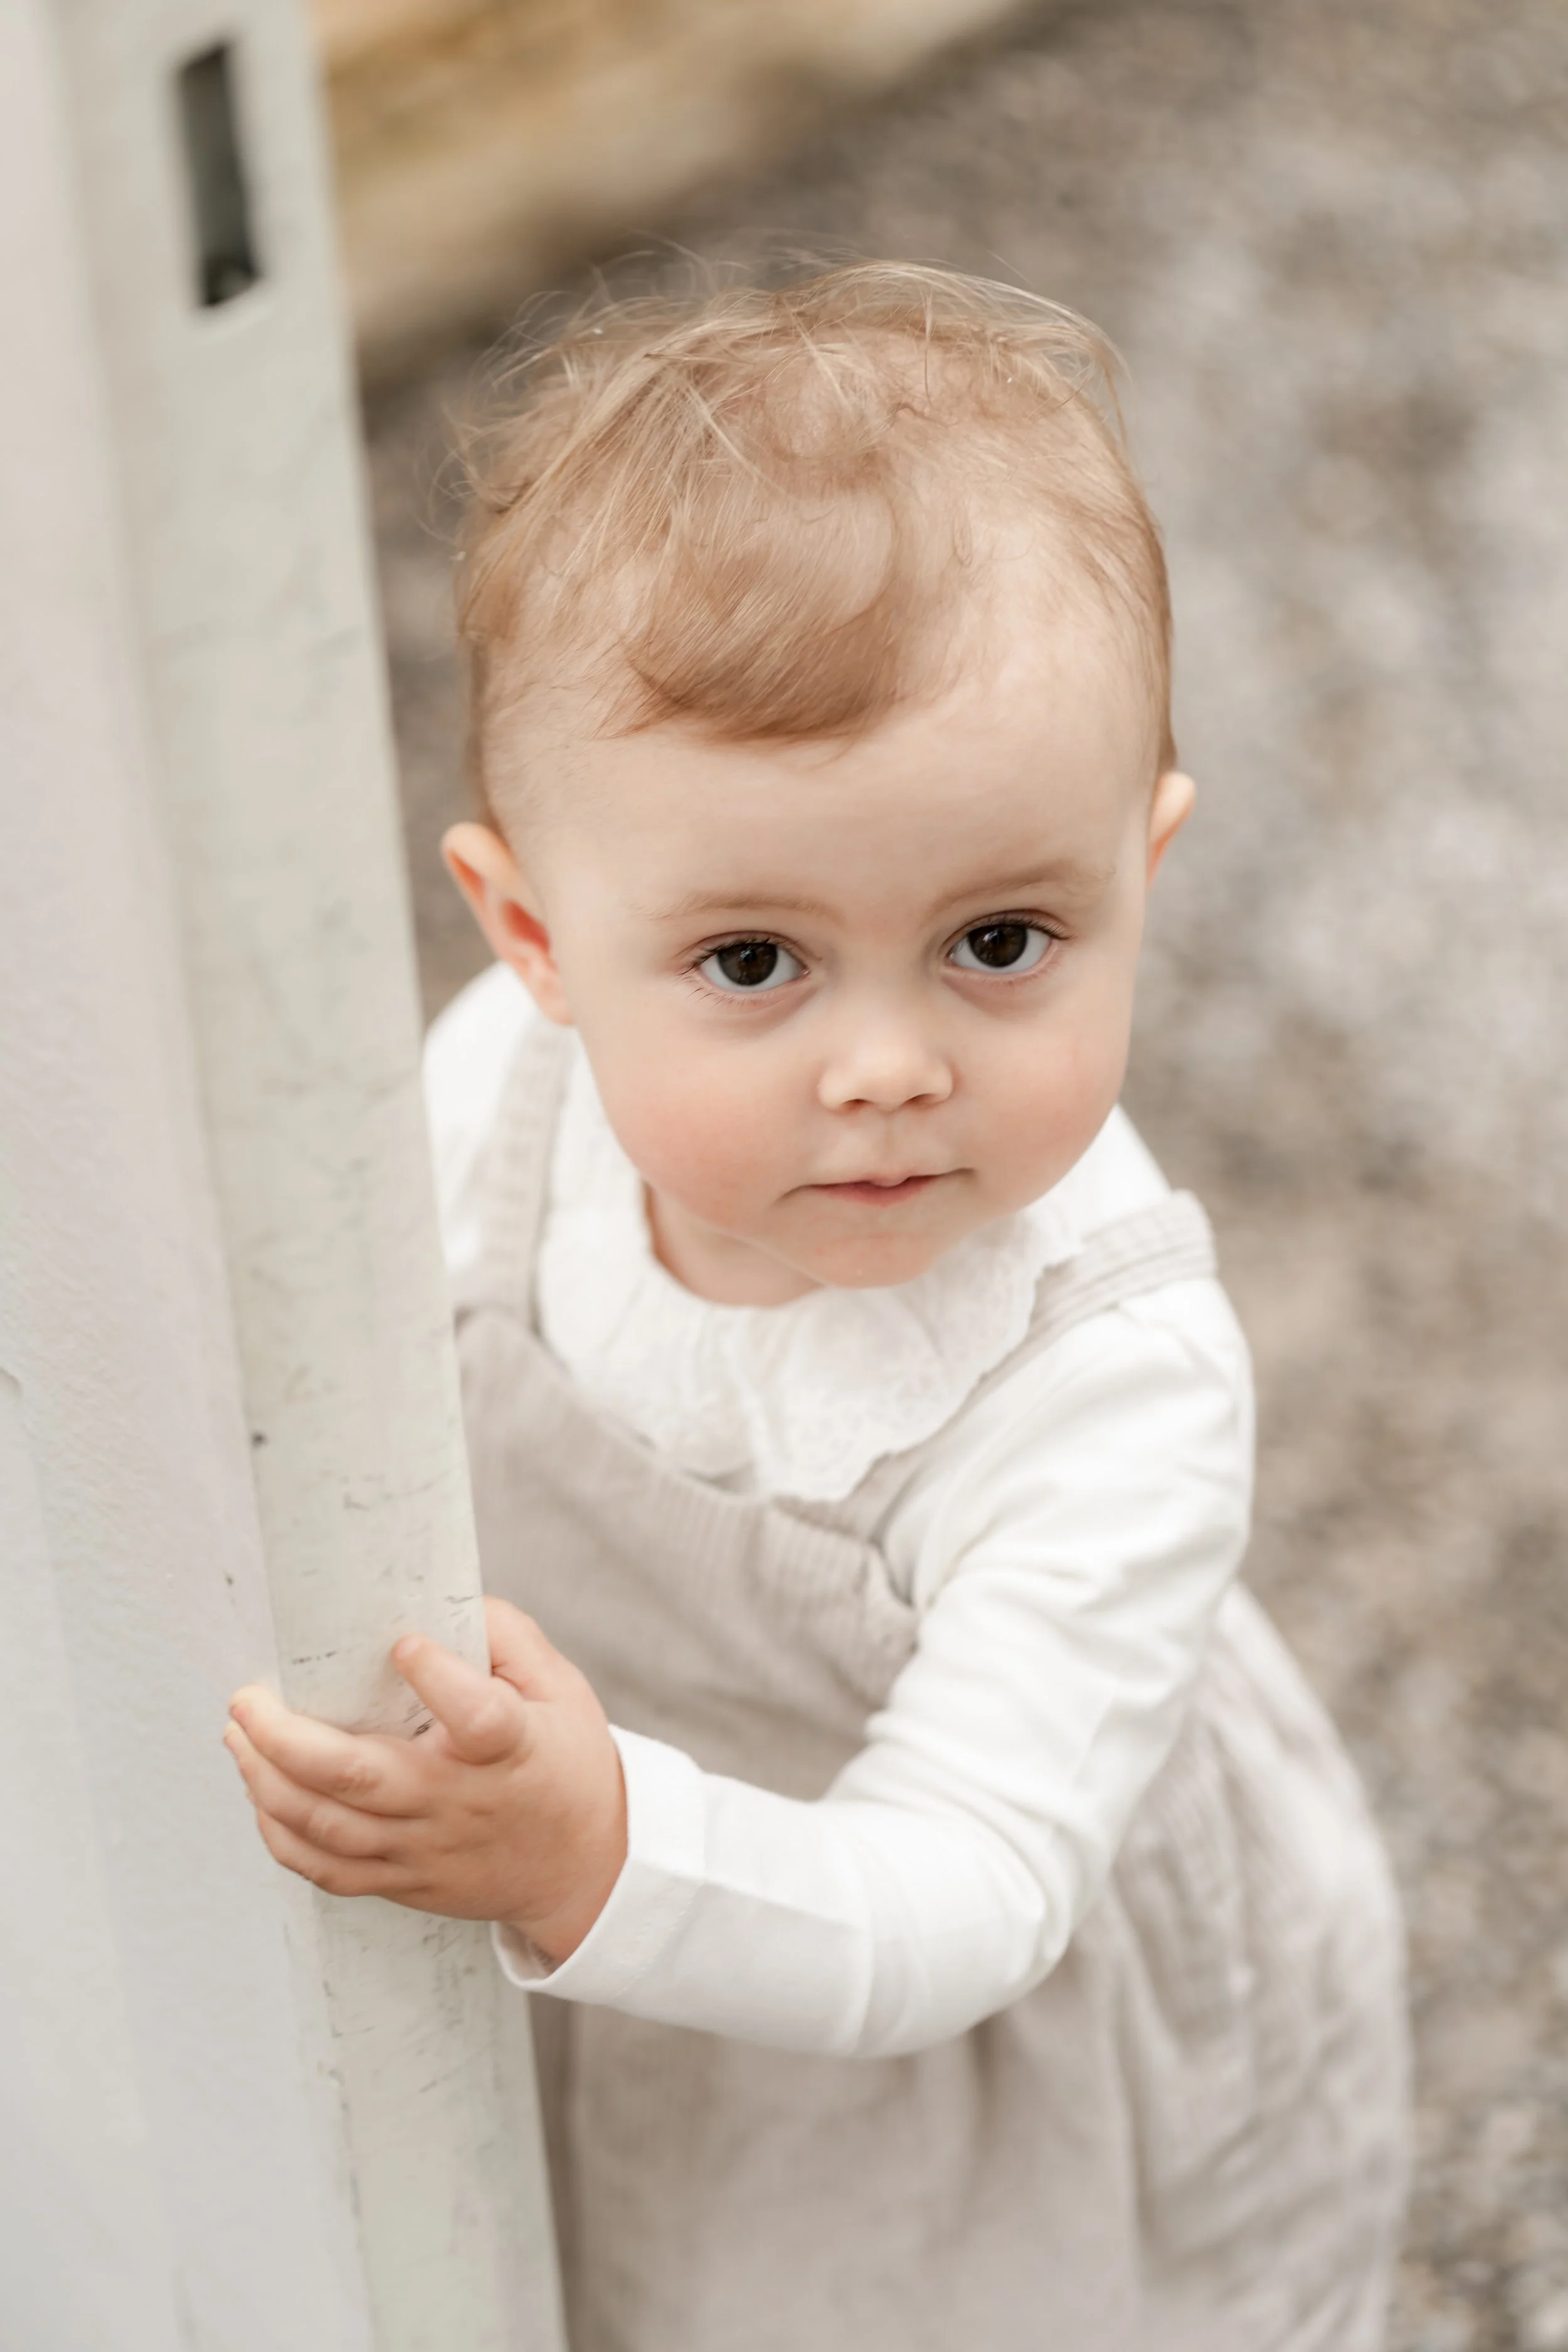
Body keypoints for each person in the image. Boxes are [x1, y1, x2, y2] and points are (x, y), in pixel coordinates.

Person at [223, 262, 1409, 2350]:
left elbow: (963, 1893)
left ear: (1144, 867)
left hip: (953, 2051)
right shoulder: (497, 1107)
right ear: (535, 934)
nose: (883, 1065)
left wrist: (597, 1841)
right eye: (756, 962)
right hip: (605, 1904)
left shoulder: (1103, 1386)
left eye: (999, 936)